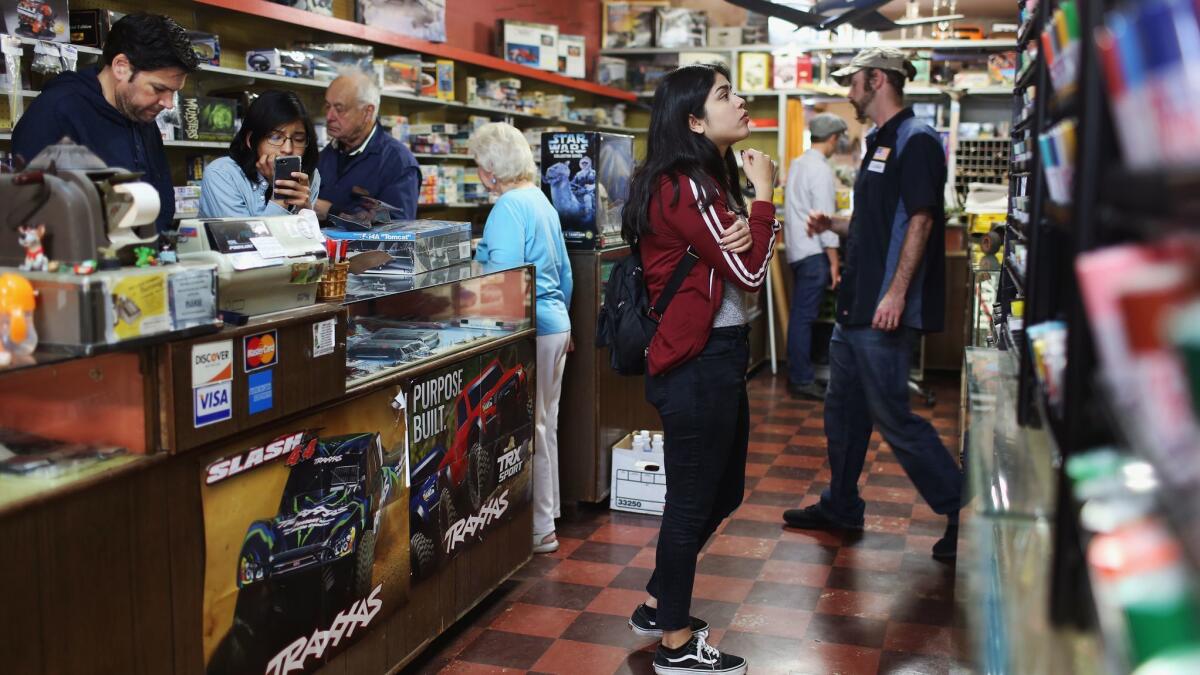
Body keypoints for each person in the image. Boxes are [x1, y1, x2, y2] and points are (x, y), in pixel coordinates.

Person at [622, 63, 776, 675]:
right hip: (695, 363)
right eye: (724, 95)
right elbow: (751, 272)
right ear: (693, 120)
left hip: (718, 355)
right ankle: (677, 643)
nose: (740, 102)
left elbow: (741, 259)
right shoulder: (685, 186)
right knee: (689, 502)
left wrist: (747, 227)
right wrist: (764, 198)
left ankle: (664, 602)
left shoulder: (704, 182)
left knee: (725, 488)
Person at [783, 48, 962, 561]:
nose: (848, 92)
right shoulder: (878, 142)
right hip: (853, 307)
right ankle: (840, 504)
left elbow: (924, 220)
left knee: (895, 418)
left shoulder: (917, 139)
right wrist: (832, 225)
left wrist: (897, 294)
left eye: (853, 82)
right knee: (842, 412)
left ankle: (961, 513)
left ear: (876, 79)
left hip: (882, 310)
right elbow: (878, 222)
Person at [468, 122, 573, 556]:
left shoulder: (509, 206)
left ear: (492, 170)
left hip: (529, 328)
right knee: (546, 424)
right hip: (555, 323)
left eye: (478, 165)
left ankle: (541, 528)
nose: (478, 174)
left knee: (533, 426)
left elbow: (503, 282)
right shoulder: (540, 201)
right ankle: (549, 516)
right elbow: (563, 272)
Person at [12, 13, 198, 231]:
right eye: (159, 89)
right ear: (120, 66)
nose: (168, 103)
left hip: (146, 259)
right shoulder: (56, 113)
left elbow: (160, 201)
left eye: (174, 92)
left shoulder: (141, 115)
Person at [783, 112, 847, 401]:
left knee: (800, 316)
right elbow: (825, 220)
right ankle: (801, 379)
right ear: (833, 139)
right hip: (813, 253)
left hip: (798, 251)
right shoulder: (820, 169)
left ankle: (801, 374)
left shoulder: (798, 163)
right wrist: (834, 262)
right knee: (805, 318)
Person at [315, 70, 420, 221]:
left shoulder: (398, 162)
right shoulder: (327, 153)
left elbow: (398, 227)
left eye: (339, 109)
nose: (329, 116)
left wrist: (332, 212)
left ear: (367, 112)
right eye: (327, 106)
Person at [197, 91, 320, 218]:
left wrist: (305, 209)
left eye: (299, 139)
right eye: (276, 137)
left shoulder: (309, 175)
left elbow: (304, 237)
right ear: (251, 140)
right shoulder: (221, 174)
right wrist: (280, 196)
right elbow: (243, 236)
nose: (288, 149)